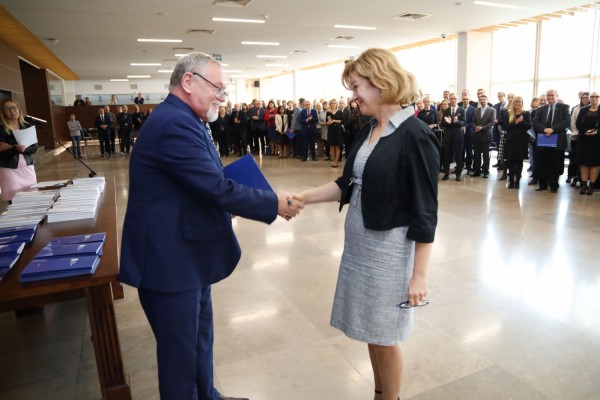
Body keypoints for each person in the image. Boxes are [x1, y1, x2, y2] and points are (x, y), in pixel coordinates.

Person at [119, 52, 303, 400]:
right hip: (169, 261)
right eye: (217, 88)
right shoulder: (174, 123)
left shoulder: (186, 118)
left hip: (188, 256)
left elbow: (201, 181)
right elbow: (214, 187)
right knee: (179, 359)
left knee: (199, 342)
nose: (222, 97)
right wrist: (272, 202)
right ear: (189, 82)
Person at [292, 48, 439, 400]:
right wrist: (302, 197)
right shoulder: (367, 130)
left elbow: (425, 211)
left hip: (389, 251)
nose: (352, 95)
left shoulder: (415, 135)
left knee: (385, 335)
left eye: (356, 86)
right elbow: (347, 183)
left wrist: (419, 275)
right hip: (360, 246)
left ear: (381, 83)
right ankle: (379, 392)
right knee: (372, 331)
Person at [532, 89, 570, 193]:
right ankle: (542, 184)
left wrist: (553, 129)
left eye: (552, 95)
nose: (549, 97)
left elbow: (566, 121)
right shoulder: (540, 109)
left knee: (555, 163)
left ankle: (554, 185)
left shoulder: (564, 107)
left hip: (557, 139)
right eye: (548, 95)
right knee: (542, 163)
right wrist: (544, 129)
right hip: (543, 139)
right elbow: (535, 122)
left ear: (557, 96)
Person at [0, 99, 38, 202]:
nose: (12, 111)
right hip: (9, 170)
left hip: (27, 168)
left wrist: (13, 147)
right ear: (3, 112)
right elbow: (2, 151)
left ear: (19, 109)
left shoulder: (27, 126)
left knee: (32, 199)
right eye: (7, 109)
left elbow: (34, 148)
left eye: (14, 107)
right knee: (15, 202)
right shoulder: (1, 129)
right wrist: (16, 148)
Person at [502, 96, 531, 189]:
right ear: (513, 103)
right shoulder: (508, 113)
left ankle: (517, 181)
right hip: (510, 141)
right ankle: (511, 181)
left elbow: (529, 126)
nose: (518, 103)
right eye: (516, 102)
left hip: (521, 141)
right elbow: (506, 127)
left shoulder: (526, 113)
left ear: (522, 103)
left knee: (519, 161)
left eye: (520, 102)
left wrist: (521, 122)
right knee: (510, 161)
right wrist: (516, 122)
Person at [575, 91, 600, 195]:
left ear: (599, 98)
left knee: (595, 163)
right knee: (584, 162)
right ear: (589, 98)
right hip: (584, 140)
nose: (594, 98)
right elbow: (578, 123)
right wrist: (585, 131)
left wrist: (596, 131)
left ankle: (592, 186)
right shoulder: (583, 110)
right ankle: (584, 185)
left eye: (596, 96)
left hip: (597, 141)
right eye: (592, 97)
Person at [440, 93, 465, 181]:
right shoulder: (446, 110)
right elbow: (442, 124)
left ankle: (458, 174)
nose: (453, 100)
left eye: (454, 98)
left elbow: (463, 123)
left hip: (458, 136)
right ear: (449, 100)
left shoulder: (462, 110)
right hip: (448, 136)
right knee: (446, 155)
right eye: (451, 99)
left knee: (459, 156)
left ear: (457, 99)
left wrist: (456, 122)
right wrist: (446, 122)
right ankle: (446, 174)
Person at [470, 95, 496, 178]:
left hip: (486, 136)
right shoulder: (476, 110)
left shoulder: (492, 110)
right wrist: (475, 127)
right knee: (476, 154)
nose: (482, 101)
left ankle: (485, 171)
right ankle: (477, 171)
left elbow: (492, 123)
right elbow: (472, 122)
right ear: (479, 101)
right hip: (477, 136)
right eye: (481, 99)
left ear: (487, 100)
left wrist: (482, 128)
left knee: (485, 155)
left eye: (484, 99)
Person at [326, 99, 344, 167]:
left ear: (336, 104)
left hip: (338, 130)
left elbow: (342, 121)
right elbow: (326, 122)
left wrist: (334, 121)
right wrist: (328, 122)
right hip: (331, 130)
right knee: (331, 146)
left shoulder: (339, 112)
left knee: (337, 146)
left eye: (334, 103)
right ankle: (333, 161)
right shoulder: (328, 112)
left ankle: (336, 161)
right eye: (332, 103)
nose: (333, 104)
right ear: (330, 104)